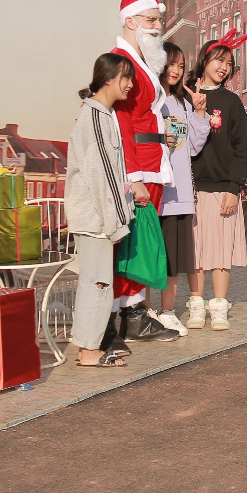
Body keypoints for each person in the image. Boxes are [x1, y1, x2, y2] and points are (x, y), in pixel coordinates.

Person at [110, 0, 180, 343]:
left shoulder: (141, 62)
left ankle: (133, 315)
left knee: (139, 243)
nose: (157, 27)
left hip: (152, 162)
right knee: (130, 244)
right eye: (151, 20)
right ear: (130, 21)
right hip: (139, 168)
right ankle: (119, 318)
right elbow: (121, 123)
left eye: (158, 20)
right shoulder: (122, 62)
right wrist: (133, 176)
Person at [65, 53, 137, 368]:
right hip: (95, 220)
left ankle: (88, 347)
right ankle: (89, 351)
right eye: (125, 77)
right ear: (108, 77)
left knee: (95, 283)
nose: (131, 85)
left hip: (95, 219)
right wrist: (116, 224)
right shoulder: (95, 117)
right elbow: (102, 176)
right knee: (98, 284)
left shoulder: (100, 115)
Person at [190, 34, 247, 330]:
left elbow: (244, 148)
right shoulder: (184, 96)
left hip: (222, 189)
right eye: (219, 60)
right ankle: (196, 306)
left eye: (229, 63)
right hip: (190, 189)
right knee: (196, 252)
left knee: (220, 253)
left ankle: (219, 307)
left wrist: (234, 187)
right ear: (204, 60)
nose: (224, 67)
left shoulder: (231, 102)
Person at [157, 42, 212, 335]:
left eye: (181, 65)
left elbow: (190, 147)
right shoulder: (151, 100)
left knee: (174, 260)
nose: (177, 71)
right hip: (154, 194)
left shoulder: (182, 103)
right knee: (153, 255)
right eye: (171, 64)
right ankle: (142, 310)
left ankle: (167, 311)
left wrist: (200, 113)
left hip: (178, 196)